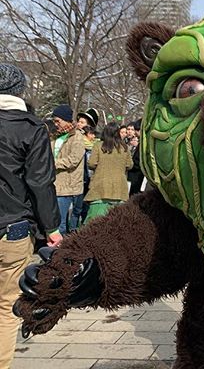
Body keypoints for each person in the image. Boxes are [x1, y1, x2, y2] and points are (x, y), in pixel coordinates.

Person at [0, 64, 61, 369]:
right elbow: (39, 182)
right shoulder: (30, 127)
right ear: (19, 91)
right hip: (13, 227)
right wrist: (52, 227)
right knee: (5, 306)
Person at [84, 122, 134, 222]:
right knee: (116, 225)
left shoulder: (98, 146)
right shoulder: (124, 147)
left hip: (100, 189)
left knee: (94, 224)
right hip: (120, 190)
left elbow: (92, 164)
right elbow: (130, 165)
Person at [51, 104, 87, 235]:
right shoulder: (55, 136)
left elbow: (74, 160)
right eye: (54, 121)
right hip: (54, 183)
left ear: (66, 120)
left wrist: (53, 163)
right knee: (54, 221)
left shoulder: (77, 137)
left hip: (67, 187)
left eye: (57, 121)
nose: (55, 124)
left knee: (60, 223)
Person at [128, 118, 145, 196]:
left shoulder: (143, 143)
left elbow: (138, 161)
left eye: (135, 130)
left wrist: (130, 164)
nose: (134, 133)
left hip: (136, 176)